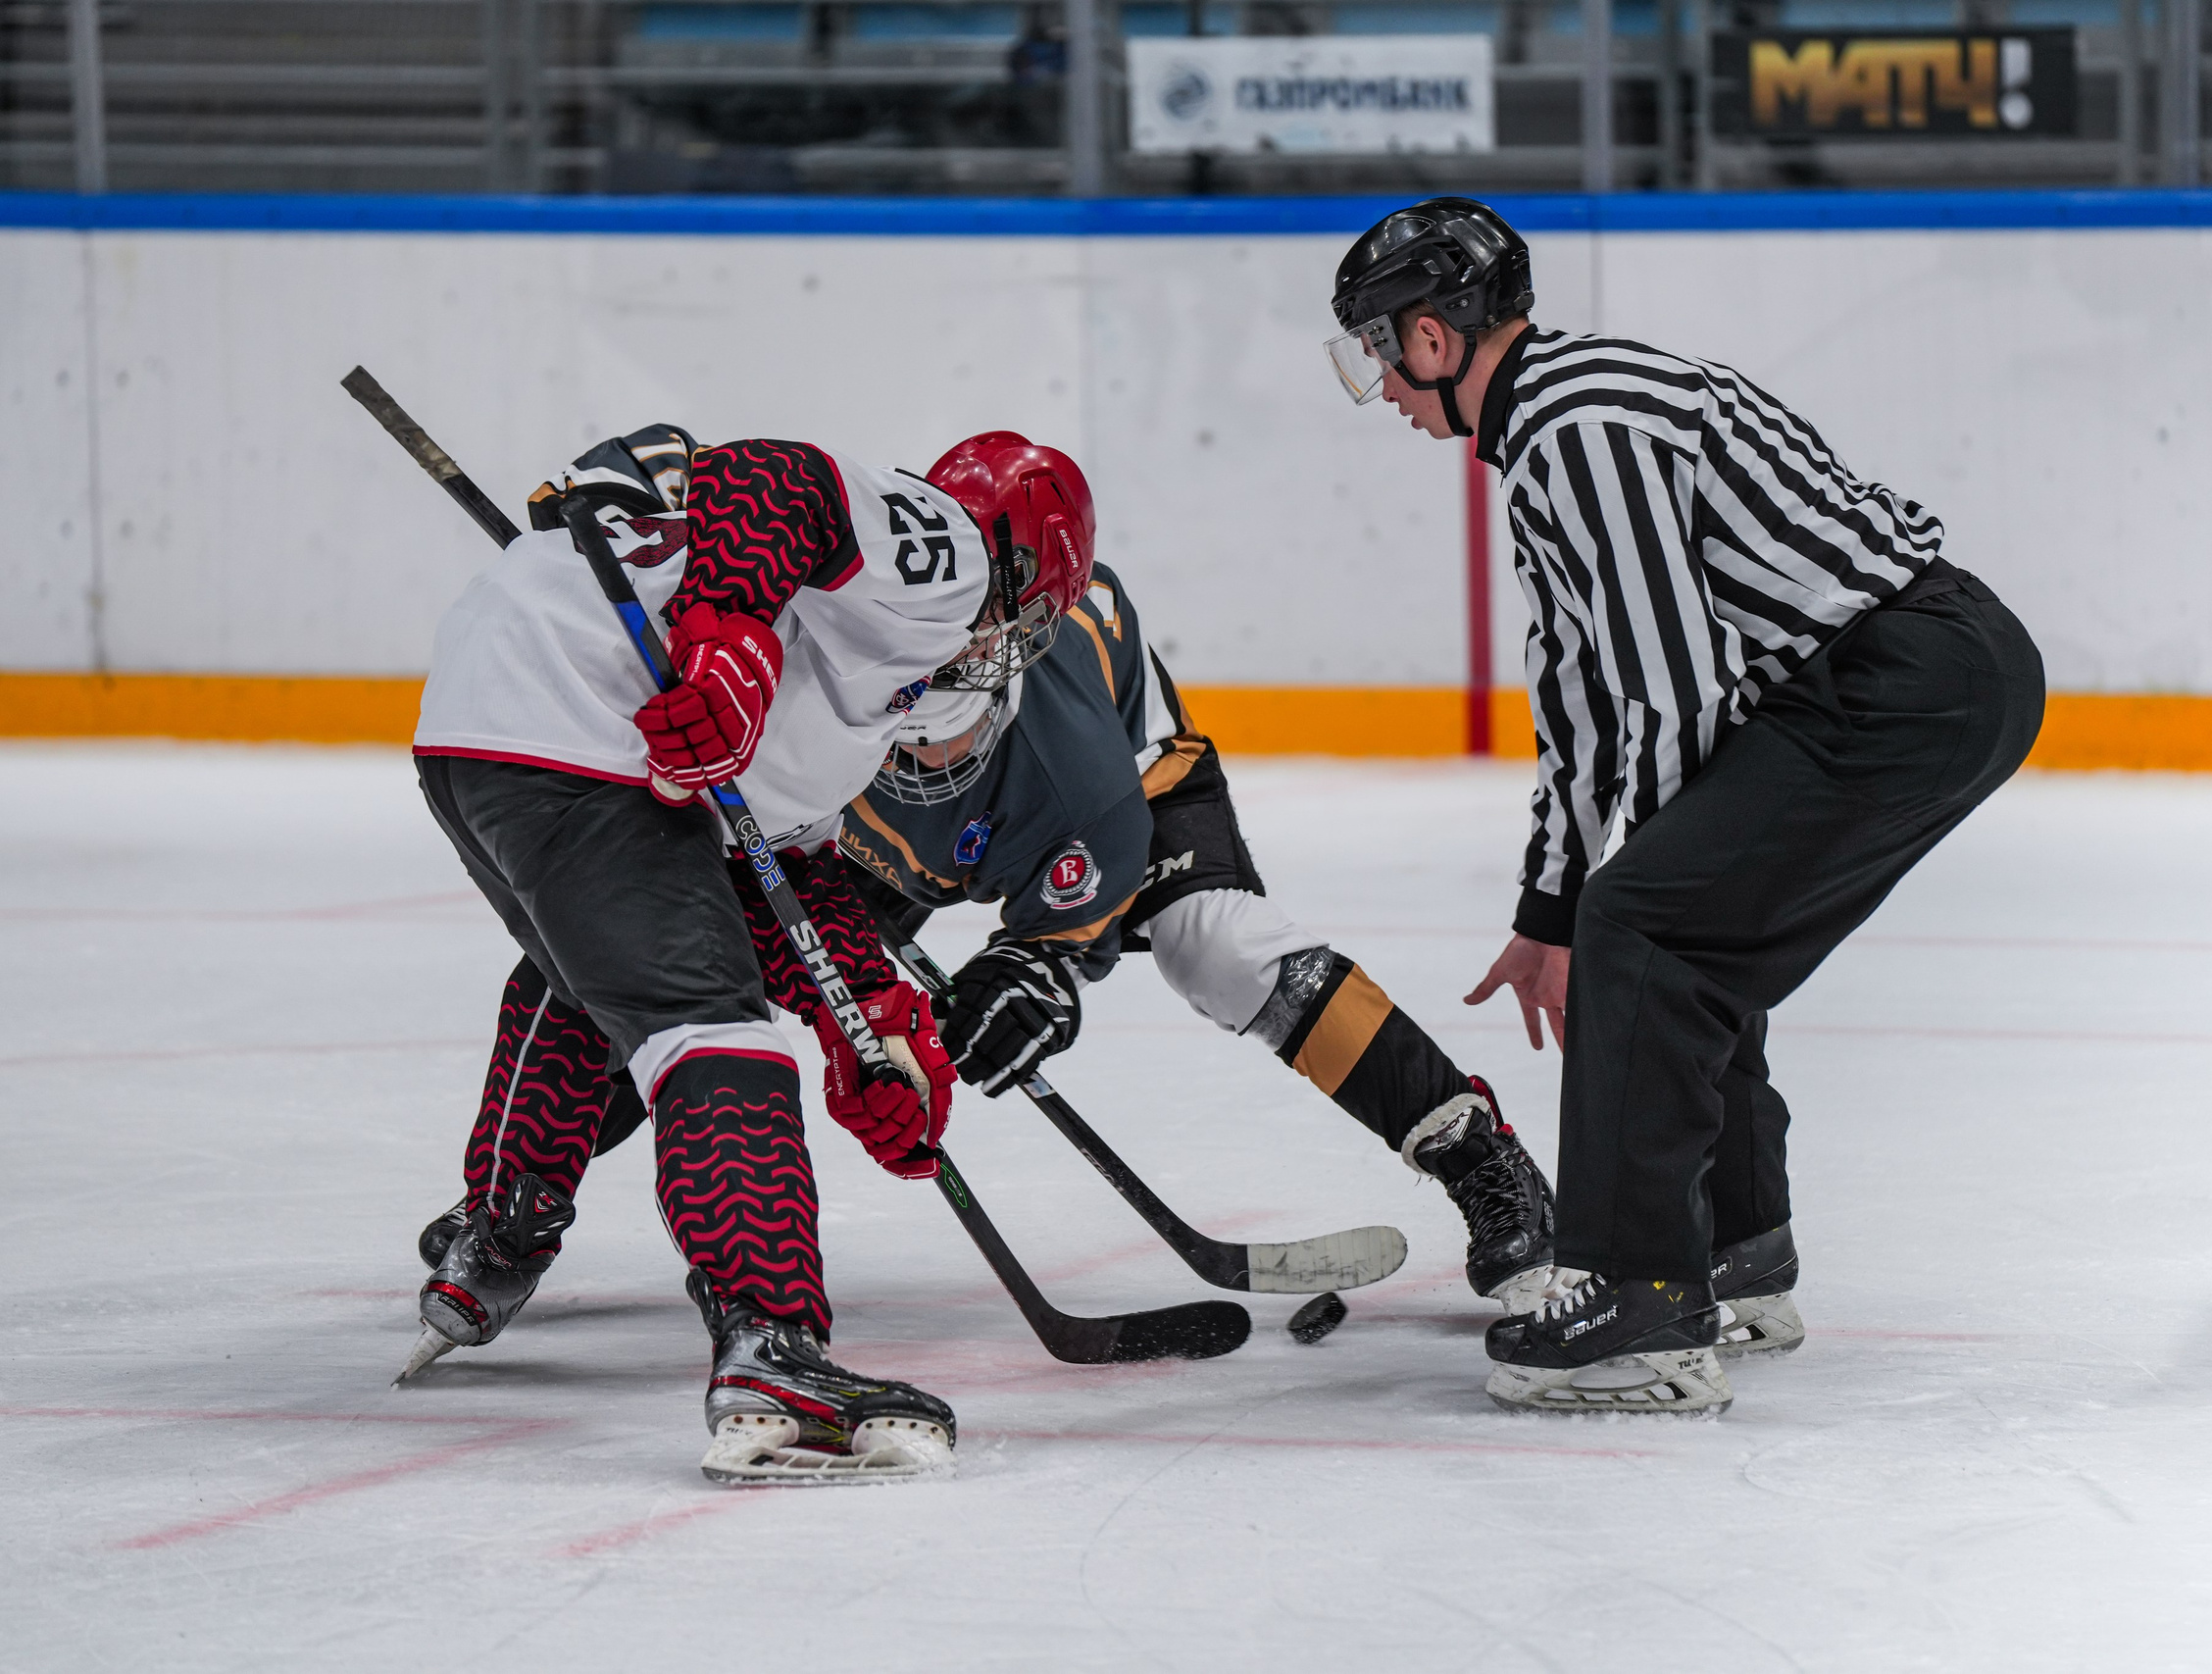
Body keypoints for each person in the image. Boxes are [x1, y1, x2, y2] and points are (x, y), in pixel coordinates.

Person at [1324, 198, 2045, 1413]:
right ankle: (1732, 1253)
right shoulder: (1551, 424)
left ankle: (1642, 1307)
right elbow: (1581, 701)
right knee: (1673, 932)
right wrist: (1550, 909)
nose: (1382, 387)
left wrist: (1619, 913)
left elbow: (1669, 690)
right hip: (1909, 676)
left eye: (1377, 350)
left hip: (1902, 681)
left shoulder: (1577, 430)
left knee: (1657, 928)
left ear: (1435, 338)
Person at [405, 422, 1082, 1480]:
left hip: (487, 734)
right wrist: (729, 645)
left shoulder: (860, 698)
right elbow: (777, 477)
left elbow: (772, 879)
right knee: (711, 1029)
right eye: (1035, 608)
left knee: (597, 983)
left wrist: (872, 1021)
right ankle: (773, 1348)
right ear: (1019, 558)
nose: (1015, 640)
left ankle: (499, 1233)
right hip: (573, 721)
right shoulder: (948, 557)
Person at [833, 434, 1553, 1309]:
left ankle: (1474, 1150)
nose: (961, 631)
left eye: (993, 610)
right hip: (907, 800)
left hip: (1128, 799)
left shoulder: (1078, 748)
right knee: (727, 945)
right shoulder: (877, 604)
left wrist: (1040, 965)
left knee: (1219, 946)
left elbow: (1086, 877)